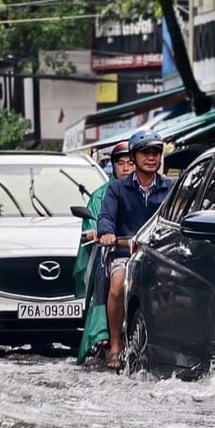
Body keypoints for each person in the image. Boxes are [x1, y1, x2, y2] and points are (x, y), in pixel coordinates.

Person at [96, 130, 174, 370]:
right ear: (134, 156)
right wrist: (107, 233)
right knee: (118, 286)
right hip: (125, 255)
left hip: (160, 256)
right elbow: (106, 217)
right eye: (145, 153)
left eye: (156, 153)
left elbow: (179, 218)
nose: (151, 157)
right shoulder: (117, 190)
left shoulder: (171, 188)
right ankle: (116, 346)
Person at [73, 141, 135, 365]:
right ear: (113, 166)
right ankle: (107, 338)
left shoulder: (152, 189)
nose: (127, 168)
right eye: (121, 163)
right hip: (112, 253)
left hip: (144, 252)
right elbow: (97, 224)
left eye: (131, 163)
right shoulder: (102, 195)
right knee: (109, 277)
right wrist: (98, 234)